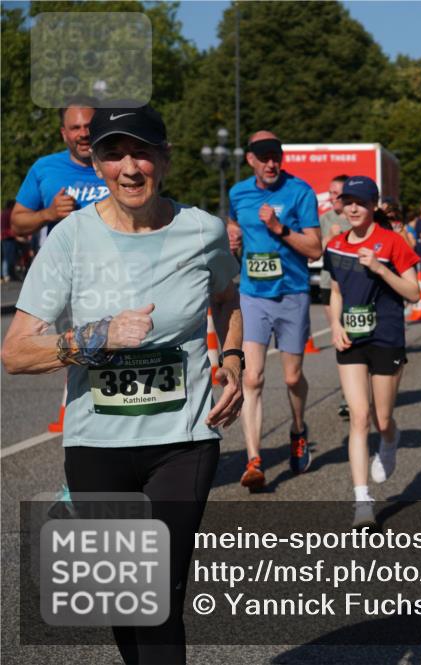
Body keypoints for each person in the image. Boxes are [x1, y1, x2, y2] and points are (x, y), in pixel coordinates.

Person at [2, 102, 244, 664]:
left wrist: (230, 360)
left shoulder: (203, 231)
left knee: (160, 594)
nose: (128, 167)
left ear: (164, 158)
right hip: (97, 446)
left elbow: (228, 297)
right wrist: (95, 337)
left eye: (141, 152)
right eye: (113, 153)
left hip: (183, 440)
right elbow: (14, 353)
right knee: (123, 597)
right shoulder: (70, 239)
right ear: (96, 162)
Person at [227, 131, 322, 490]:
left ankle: (298, 429)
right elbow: (237, 223)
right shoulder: (239, 193)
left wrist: (279, 228)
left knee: (293, 378)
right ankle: (253, 459)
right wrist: (233, 233)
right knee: (252, 378)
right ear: (250, 159)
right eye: (263, 157)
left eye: (276, 156)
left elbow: (314, 248)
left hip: (292, 294)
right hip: (253, 294)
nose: (271, 163)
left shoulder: (300, 192)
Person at [325, 176, 420, 528]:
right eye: (348, 201)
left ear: (373, 206)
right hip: (351, 338)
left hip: (386, 336)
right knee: (358, 417)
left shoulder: (392, 243)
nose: (352, 208)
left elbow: (414, 293)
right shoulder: (335, 246)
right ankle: (362, 501)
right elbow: (335, 292)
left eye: (360, 202)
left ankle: (391, 441)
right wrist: (335, 324)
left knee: (382, 419)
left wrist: (380, 268)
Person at [11, 97, 108, 246]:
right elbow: (17, 224)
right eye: (75, 128)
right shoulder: (44, 168)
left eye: (89, 126)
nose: (83, 133)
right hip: (64, 266)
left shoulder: (121, 163)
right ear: (64, 133)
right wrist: (48, 214)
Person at [320, 174, 353, 420]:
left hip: (355, 286)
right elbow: (317, 249)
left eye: (337, 194)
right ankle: (348, 394)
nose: (332, 198)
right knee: (339, 337)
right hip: (329, 284)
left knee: (355, 339)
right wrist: (331, 238)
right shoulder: (326, 219)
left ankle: (354, 392)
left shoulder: (356, 218)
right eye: (330, 193)